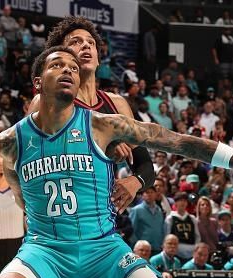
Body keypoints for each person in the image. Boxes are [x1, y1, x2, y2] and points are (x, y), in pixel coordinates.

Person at [0, 45, 233, 278]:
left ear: (79, 84)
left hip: (104, 250)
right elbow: (24, 200)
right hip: (46, 251)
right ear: (38, 82)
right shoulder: (10, 143)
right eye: (57, 65)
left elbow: (181, 143)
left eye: (74, 68)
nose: (68, 70)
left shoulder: (102, 126)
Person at [28, 16, 155, 213]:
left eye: (91, 43)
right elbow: (31, 162)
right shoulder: (45, 101)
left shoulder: (117, 104)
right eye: (76, 42)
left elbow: (145, 166)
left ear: (98, 56)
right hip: (57, 218)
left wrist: (135, 181)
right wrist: (103, 144)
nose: (86, 45)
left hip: (100, 219)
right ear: (61, 55)